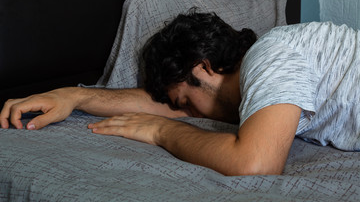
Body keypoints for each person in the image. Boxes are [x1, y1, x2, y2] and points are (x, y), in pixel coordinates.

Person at [1, 11, 359, 176]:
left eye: (186, 101)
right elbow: (160, 104)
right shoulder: (256, 84)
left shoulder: (271, 56)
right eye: (179, 108)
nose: (188, 113)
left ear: (203, 67)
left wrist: (162, 132)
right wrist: (73, 97)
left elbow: (256, 164)